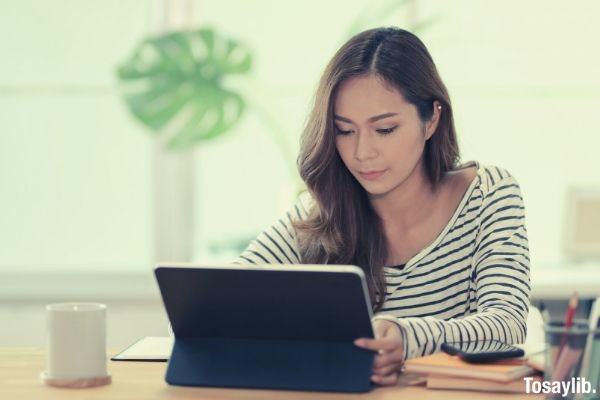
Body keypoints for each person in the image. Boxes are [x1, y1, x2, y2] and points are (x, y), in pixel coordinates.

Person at [233, 27, 530, 386]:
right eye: (345, 131)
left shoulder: (489, 194)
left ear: (432, 119)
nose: (362, 153)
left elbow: (507, 324)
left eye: (385, 129)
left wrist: (405, 338)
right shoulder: (321, 211)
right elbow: (218, 306)